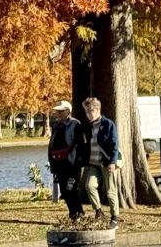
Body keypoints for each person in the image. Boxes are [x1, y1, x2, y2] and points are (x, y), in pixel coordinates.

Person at [78, 96, 120, 226]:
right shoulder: (88, 127)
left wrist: (112, 162)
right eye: (86, 112)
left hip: (107, 163)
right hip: (93, 164)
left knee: (110, 191)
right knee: (89, 186)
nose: (88, 114)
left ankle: (115, 217)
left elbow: (114, 144)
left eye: (90, 111)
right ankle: (98, 211)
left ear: (98, 110)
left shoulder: (108, 124)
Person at [47, 99, 82, 220]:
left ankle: (78, 212)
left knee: (71, 188)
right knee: (64, 189)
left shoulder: (75, 124)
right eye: (57, 111)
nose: (58, 113)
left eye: (61, 111)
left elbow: (79, 144)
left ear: (68, 111)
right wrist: (51, 161)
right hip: (58, 162)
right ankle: (73, 213)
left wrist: (77, 162)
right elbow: (51, 143)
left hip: (71, 163)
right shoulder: (56, 125)